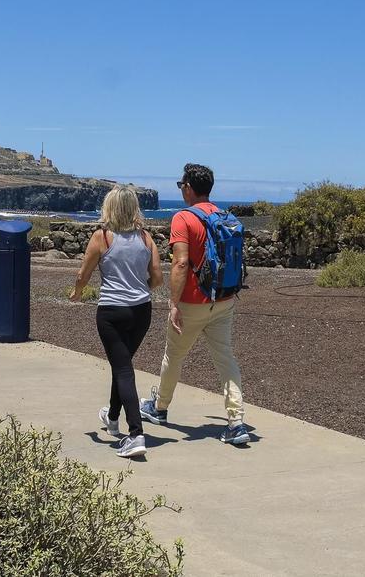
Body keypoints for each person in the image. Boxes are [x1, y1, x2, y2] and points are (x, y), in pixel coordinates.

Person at [140, 163, 250, 445]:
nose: (181, 190)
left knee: (173, 356)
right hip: (223, 299)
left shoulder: (183, 219)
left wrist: (173, 303)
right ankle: (236, 423)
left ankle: (160, 408)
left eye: (181, 185)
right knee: (225, 358)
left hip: (192, 302)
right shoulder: (225, 217)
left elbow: (180, 262)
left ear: (188, 187)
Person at [71, 185, 163, 458]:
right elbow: (157, 278)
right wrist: (138, 285)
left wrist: (77, 292)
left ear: (109, 208)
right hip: (141, 312)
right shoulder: (146, 238)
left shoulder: (102, 237)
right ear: (134, 208)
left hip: (112, 312)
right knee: (121, 364)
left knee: (123, 369)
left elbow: (83, 274)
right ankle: (112, 417)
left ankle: (135, 434)